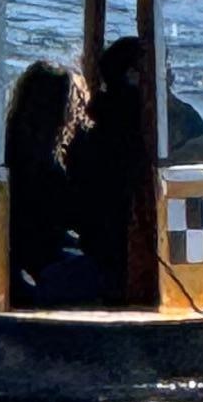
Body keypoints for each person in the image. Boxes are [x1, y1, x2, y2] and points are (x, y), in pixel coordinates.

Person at [65, 34, 152, 301]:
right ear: (132, 75)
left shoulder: (89, 128)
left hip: (94, 246)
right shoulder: (140, 126)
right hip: (112, 247)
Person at [5, 59, 98, 303]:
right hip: (38, 264)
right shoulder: (47, 166)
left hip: (17, 257)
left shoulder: (8, 147)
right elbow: (71, 218)